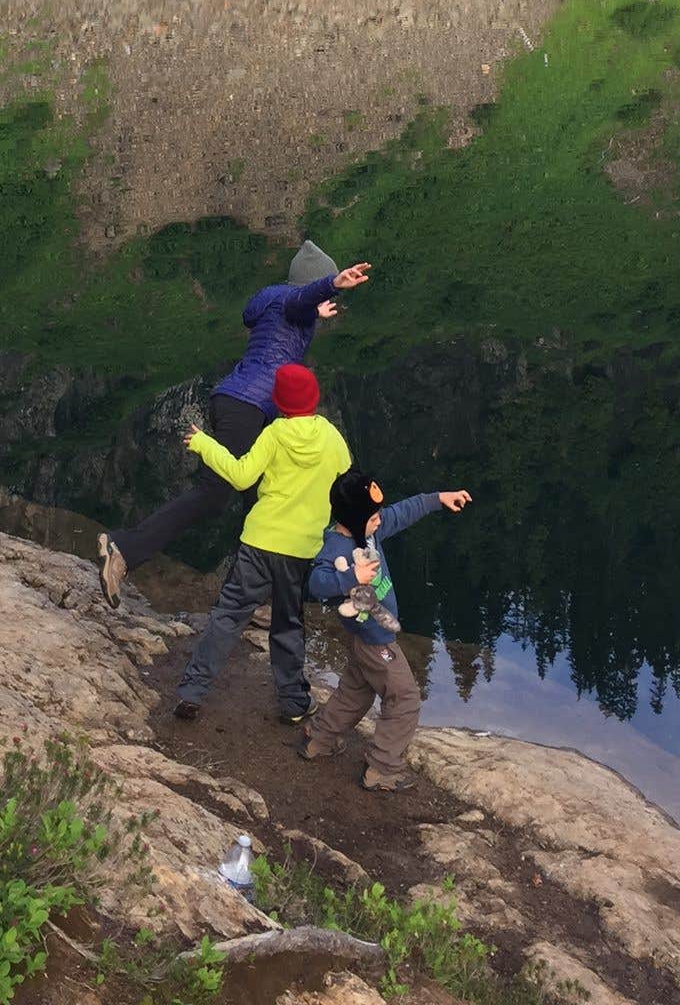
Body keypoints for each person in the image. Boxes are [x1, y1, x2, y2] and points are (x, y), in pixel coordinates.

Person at [97, 243, 371, 608]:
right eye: (320, 284)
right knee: (213, 494)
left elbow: (285, 309)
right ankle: (124, 548)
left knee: (262, 503)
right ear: (312, 283)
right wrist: (332, 284)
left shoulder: (277, 301)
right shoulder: (293, 300)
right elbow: (300, 298)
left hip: (241, 402)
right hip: (246, 406)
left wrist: (315, 307)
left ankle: (247, 599)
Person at [168, 361, 353, 724]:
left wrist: (205, 444)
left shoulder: (275, 434)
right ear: (314, 398)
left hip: (259, 542)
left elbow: (241, 477)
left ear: (279, 402)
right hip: (301, 551)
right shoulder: (331, 437)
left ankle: (192, 691)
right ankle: (294, 704)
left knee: (228, 616)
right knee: (288, 625)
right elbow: (347, 485)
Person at [301, 467, 473, 792]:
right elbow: (317, 583)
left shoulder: (369, 531)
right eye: (373, 516)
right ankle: (382, 768)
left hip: (364, 638)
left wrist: (439, 498)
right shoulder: (337, 548)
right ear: (354, 520)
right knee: (405, 699)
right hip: (374, 639)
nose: (380, 520)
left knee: (356, 690)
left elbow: (403, 511)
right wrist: (352, 577)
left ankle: (319, 739)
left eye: (378, 514)